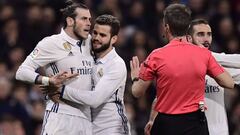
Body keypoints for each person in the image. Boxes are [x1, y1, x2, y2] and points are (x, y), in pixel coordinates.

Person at [130, 3, 238, 135]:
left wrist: (135, 76)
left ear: (167, 27)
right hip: (195, 124)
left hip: (167, 125)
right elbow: (229, 83)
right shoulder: (204, 54)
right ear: (187, 28)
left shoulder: (156, 56)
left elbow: (137, 92)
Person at [41, 14, 131, 135]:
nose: (97, 38)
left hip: (112, 128)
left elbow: (95, 99)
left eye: (103, 35)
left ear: (114, 39)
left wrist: (61, 90)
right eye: (95, 33)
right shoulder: (89, 53)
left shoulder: (116, 64)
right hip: (88, 127)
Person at [15, 1, 94, 134]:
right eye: (84, 19)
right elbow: (22, 72)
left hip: (86, 119)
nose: (89, 23)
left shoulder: (90, 42)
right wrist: (48, 81)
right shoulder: (51, 43)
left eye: (90, 19)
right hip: (60, 116)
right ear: (70, 21)